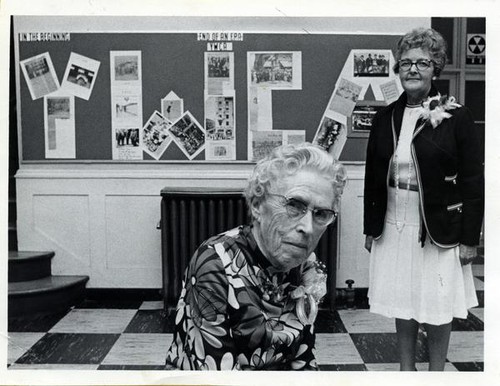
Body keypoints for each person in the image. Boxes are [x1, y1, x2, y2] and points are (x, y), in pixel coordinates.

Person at [363, 27, 484, 371]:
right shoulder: (385, 117)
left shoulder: (455, 116)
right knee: (403, 299)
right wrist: (371, 229)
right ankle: (406, 370)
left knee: (437, 300)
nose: (413, 70)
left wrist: (469, 238)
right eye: (406, 63)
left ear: (436, 68)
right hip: (394, 224)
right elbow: (374, 176)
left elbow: (474, 181)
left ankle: (436, 372)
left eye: (423, 63)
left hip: (438, 225)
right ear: (397, 70)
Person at [166, 143, 346, 370]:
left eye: (321, 214)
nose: (308, 228)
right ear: (258, 205)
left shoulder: (306, 266)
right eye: (294, 205)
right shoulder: (215, 264)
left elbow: (304, 360)